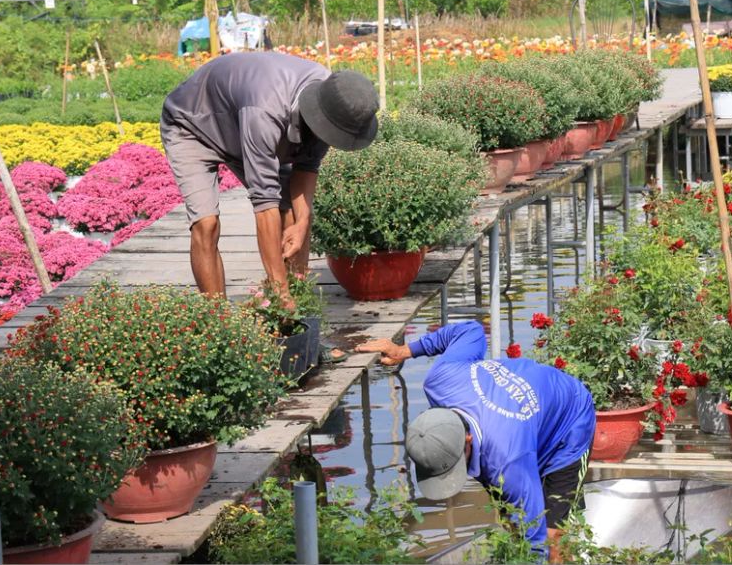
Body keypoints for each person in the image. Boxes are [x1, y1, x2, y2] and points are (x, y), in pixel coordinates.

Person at [357, 321, 596, 562]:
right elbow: (469, 330)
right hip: (525, 426)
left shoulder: (507, 460)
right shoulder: (440, 381)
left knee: (551, 537)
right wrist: (405, 351)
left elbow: (536, 544)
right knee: (512, 522)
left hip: (568, 422)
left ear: (468, 440)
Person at [160, 52, 379, 309]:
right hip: (192, 125)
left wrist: (303, 223)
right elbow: (265, 204)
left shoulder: (335, 107)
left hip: (240, 120)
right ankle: (218, 320)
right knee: (206, 224)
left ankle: (295, 304)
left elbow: (306, 168)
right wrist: (279, 289)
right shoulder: (266, 112)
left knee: (295, 218)